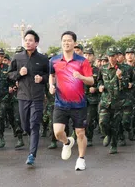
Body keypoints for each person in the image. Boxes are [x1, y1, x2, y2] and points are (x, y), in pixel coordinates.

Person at [49, 31, 94, 171]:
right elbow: (52, 75)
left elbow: (91, 81)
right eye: (64, 40)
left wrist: (81, 77)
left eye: (69, 40)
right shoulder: (54, 60)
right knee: (57, 133)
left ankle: (81, 159)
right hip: (60, 103)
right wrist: (51, 85)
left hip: (78, 104)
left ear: (74, 43)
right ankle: (67, 142)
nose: (66, 43)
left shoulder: (82, 61)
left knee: (80, 132)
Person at [8, 30, 49, 166]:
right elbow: (10, 74)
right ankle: (31, 137)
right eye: (26, 40)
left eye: (31, 40)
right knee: (25, 125)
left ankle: (32, 154)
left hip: (37, 97)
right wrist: (19, 74)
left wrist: (42, 78)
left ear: (36, 43)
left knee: (34, 124)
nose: (28, 42)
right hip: (23, 96)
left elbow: (49, 76)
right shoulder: (18, 57)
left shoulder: (43, 59)